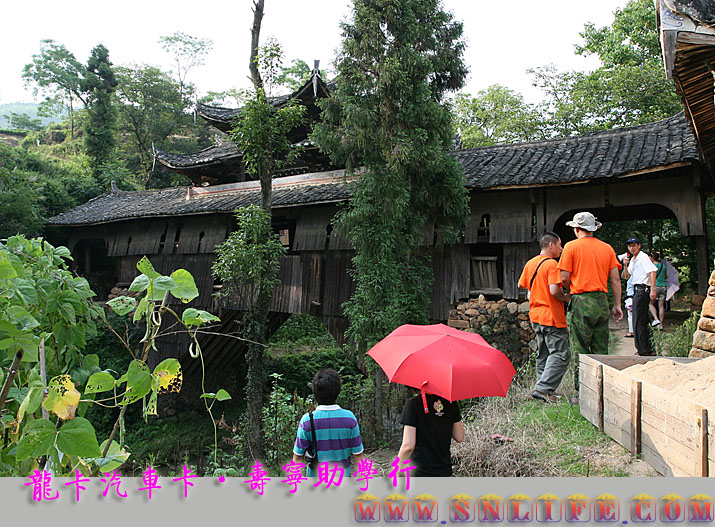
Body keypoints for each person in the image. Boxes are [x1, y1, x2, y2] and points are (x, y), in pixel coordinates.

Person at [558, 212, 623, 392]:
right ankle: (603, 389)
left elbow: (564, 277)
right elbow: (616, 280)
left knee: (579, 346)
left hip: (580, 300)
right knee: (601, 347)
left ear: (577, 229)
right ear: (594, 229)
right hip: (601, 301)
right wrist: (617, 304)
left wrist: (569, 292)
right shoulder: (607, 249)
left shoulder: (571, 248)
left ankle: (583, 392)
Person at [517, 232, 570, 403]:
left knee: (543, 353)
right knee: (561, 353)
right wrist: (567, 297)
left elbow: (523, 285)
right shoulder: (552, 265)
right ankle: (544, 389)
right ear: (551, 245)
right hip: (551, 316)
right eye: (560, 245)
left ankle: (543, 390)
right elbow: (554, 290)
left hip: (536, 315)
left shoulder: (530, 263)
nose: (562, 249)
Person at [292, 368, 364, 476]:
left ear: (315, 393)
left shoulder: (307, 420)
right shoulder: (350, 419)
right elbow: (358, 456)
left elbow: (297, 458)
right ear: (338, 391)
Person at [397, 390, 464, 477]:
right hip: (444, 471)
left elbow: (408, 446)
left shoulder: (413, 404)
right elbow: (459, 436)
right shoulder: (450, 402)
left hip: (420, 473)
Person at [621, 237, 657, 356]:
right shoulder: (633, 260)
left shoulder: (643, 257)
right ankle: (648, 347)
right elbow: (626, 276)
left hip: (643, 289)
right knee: (643, 319)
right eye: (630, 246)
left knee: (638, 320)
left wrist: (652, 289)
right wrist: (625, 265)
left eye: (634, 245)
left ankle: (643, 349)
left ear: (639, 246)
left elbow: (652, 271)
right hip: (637, 289)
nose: (632, 248)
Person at [649, 252, 667, 327]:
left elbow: (651, 278)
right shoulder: (663, 266)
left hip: (655, 287)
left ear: (652, 258)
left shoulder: (652, 267)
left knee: (650, 304)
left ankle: (656, 319)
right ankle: (661, 324)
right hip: (663, 287)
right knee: (661, 306)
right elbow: (666, 276)